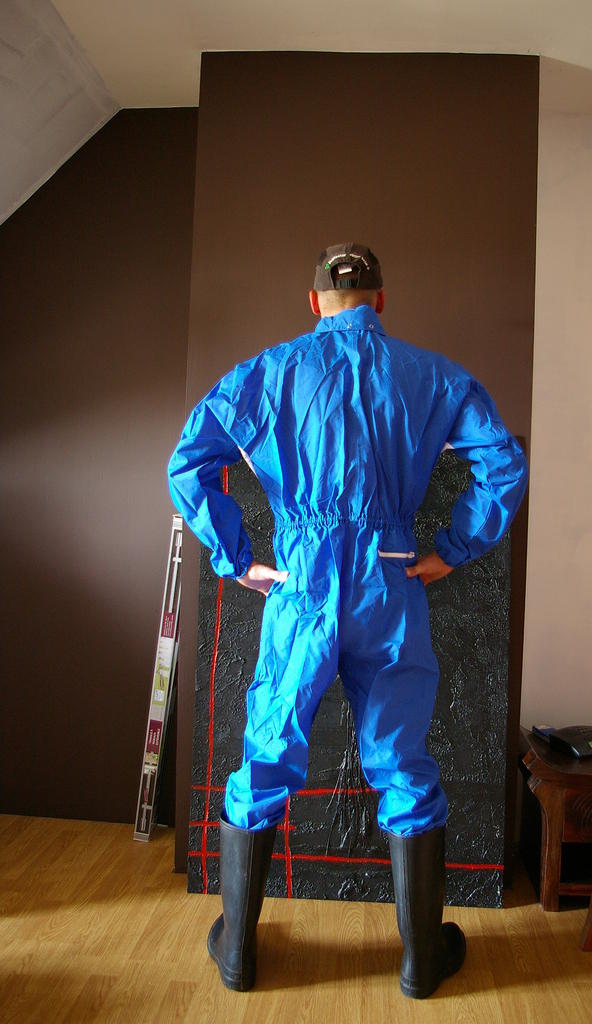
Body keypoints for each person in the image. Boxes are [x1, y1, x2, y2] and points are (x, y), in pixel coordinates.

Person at [167, 243, 528, 999]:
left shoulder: (267, 373)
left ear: (313, 303)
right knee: (401, 761)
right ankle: (419, 961)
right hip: (388, 581)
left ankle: (238, 953)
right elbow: (502, 462)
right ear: (381, 300)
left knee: (267, 753)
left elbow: (188, 463)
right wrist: (452, 548)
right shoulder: (433, 375)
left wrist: (238, 559)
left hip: (300, 587)